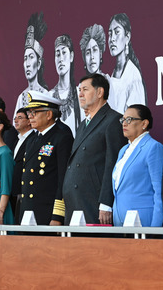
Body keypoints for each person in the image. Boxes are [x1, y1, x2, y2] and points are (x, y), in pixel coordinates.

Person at [63, 74, 126, 225]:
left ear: (100, 92)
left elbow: (113, 164)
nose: (80, 94)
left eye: (85, 89)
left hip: (94, 201)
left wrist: (106, 202)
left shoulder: (113, 120)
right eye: (79, 90)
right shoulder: (83, 124)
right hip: (74, 200)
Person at [20, 91, 74, 225]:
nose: (30, 117)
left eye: (34, 113)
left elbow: (63, 179)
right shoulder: (32, 139)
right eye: (29, 113)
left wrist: (57, 216)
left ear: (49, 114)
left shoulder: (62, 138)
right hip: (28, 209)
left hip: (46, 211)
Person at [112, 105, 163, 227]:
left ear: (144, 123)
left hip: (143, 222)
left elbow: (160, 191)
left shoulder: (153, 148)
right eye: (123, 120)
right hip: (120, 223)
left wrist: (155, 229)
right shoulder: (123, 150)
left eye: (129, 119)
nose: (124, 124)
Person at [107, 13, 146, 113]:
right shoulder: (110, 74)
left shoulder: (133, 76)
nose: (112, 39)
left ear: (127, 37)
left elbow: (137, 120)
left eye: (117, 32)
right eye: (110, 34)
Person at [15, 12, 49, 116]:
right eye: (25, 58)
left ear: (38, 63)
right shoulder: (21, 97)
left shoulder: (46, 95)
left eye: (31, 57)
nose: (28, 64)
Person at [48, 34, 81, 135]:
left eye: (64, 53)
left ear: (71, 56)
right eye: (57, 54)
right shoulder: (49, 96)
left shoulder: (80, 94)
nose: (61, 59)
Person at [10, 107, 36, 217]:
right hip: (13, 191)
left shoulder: (33, 139)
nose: (16, 120)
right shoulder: (17, 140)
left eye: (20, 118)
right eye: (15, 118)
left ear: (29, 121)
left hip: (23, 192)